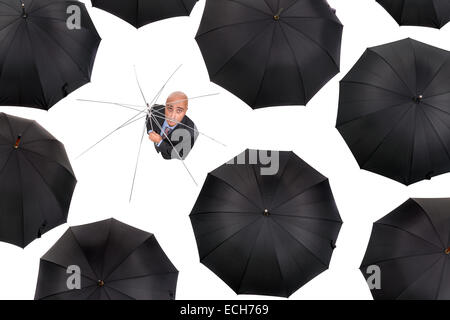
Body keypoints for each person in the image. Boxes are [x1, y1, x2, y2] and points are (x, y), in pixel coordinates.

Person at [146, 91, 198, 160]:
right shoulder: (155, 109)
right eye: (170, 109)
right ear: (165, 106)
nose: (172, 116)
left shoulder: (192, 131)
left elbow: (181, 154)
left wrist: (160, 142)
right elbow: (149, 117)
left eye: (179, 110)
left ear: (185, 111)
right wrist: (150, 131)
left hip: (168, 158)